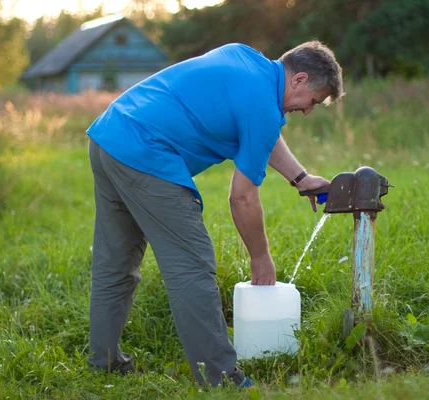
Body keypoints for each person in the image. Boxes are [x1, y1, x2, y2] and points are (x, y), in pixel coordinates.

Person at [86, 40, 344, 387]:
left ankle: (105, 362)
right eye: (313, 100)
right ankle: (222, 378)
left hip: (109, 136)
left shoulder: (246, 59)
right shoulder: (263, 108)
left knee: (114, 262)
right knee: (191, 264)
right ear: (298, 79)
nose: (309, 110)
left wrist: (299, 178)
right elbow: (242, 199)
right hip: (146, 152)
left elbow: (259, 131)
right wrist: (260, 257)